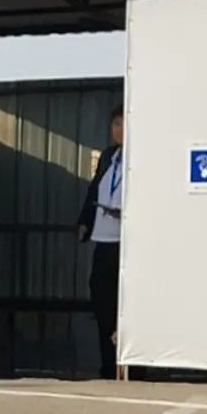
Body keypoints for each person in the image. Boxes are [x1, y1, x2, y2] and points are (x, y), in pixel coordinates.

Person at [78, 107, 125, 378]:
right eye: (114, 124)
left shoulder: (138, 157)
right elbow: (95, 187)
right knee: (100, 294)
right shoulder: (109, 156)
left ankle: (125, 365)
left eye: (122, 123)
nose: (117, 129)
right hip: (104, 236)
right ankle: (107, 364)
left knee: (122, 302)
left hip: (125, 239)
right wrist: (85, 220)